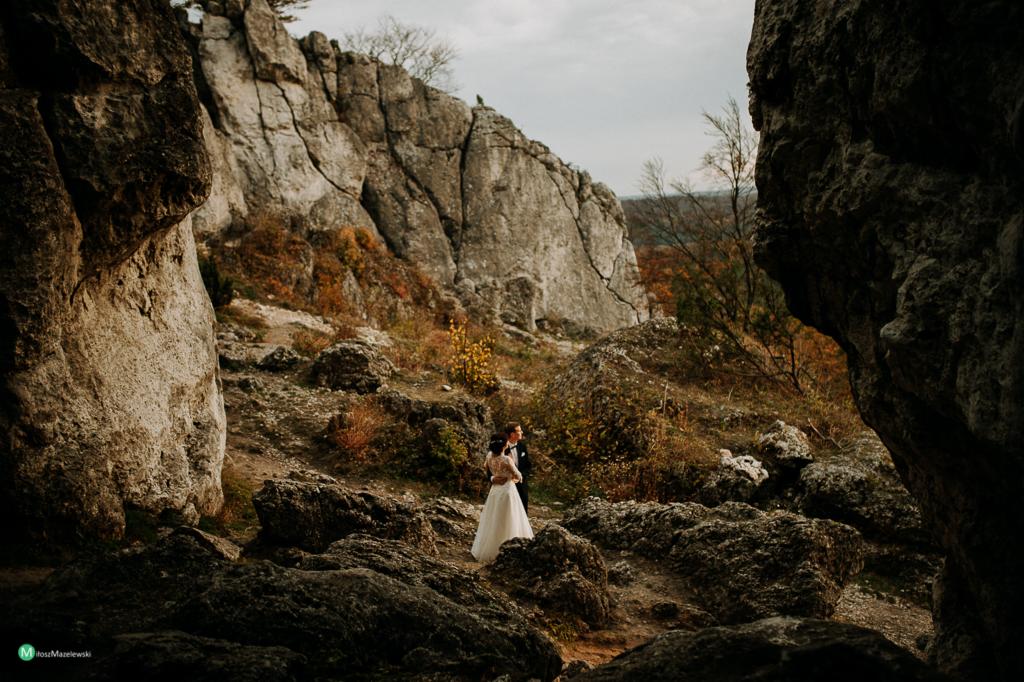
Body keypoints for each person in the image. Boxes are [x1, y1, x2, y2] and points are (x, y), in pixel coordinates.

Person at [471, 436, 533, 563]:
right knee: (509, 517)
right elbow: (519, 475)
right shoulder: (506, 459)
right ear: (504, 445)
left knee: (494, 517)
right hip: (507, 491)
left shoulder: (489, 456)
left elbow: (486, 467)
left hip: (495, 491)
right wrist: (514, 478)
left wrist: (495, 476)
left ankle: (490, 548)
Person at [502, 422, 531, 514]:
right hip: (505, 484)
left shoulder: (522, 446)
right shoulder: (501, 447)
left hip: (522, 484)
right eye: (519, 431)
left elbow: (528, 465)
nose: (522, 432)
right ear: (512, 434)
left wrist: (520, 476)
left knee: (522, 510)